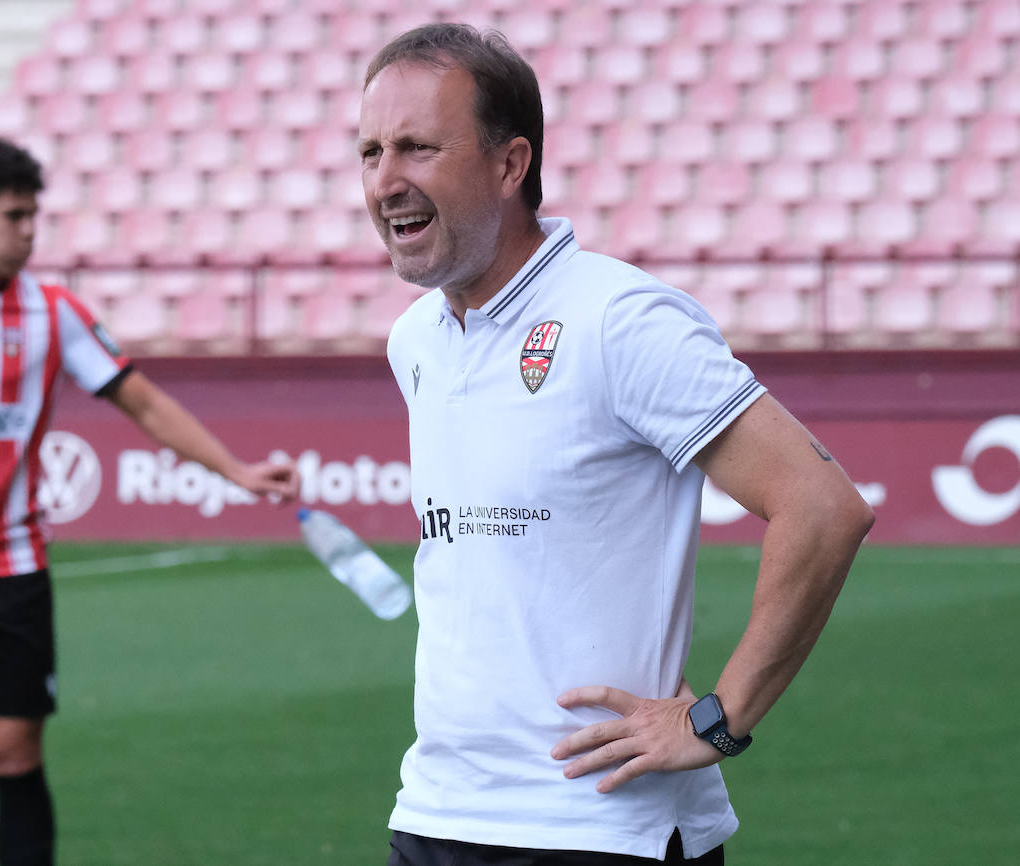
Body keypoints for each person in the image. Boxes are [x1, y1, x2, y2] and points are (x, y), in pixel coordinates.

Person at [358, 23, 874, 865]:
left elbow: (822, 507)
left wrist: (721, 716)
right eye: (371, 151)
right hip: (438, 814)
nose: (387, 181)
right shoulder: (415, 337)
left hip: (599, 829)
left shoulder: (619, 319)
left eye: (417, 147)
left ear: (510, 163)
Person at [0, 136, 299, 866]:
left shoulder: (54, 313)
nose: (32, 230)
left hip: (9, 569)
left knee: (14, 753)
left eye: (36, 214)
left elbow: (146, 405)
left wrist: (236, 470)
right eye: (17, 215)